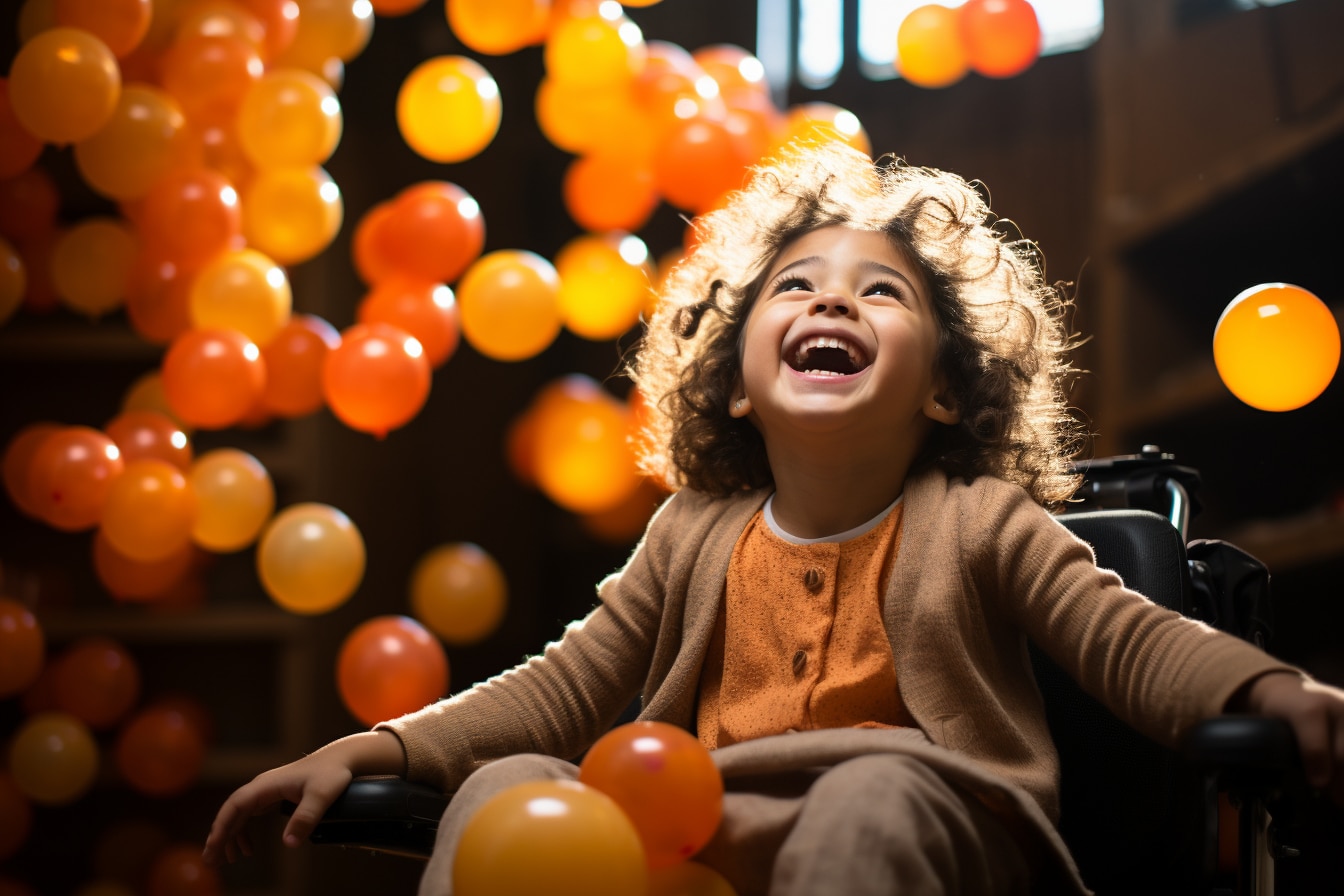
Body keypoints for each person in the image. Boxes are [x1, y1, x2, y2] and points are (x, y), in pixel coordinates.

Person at [203, 141, 1344, 895]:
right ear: (739, 382)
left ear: (945, 388)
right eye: (794, 284)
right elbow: (559, 688)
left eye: (882, 289)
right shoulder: (695, 530)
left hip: (936, 834)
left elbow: (1126, 634)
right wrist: (386, 744)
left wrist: (1263, 688)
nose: (833, 296)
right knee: (513, 790)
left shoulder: (977, 517)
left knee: (872, 783)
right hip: (695, 841)